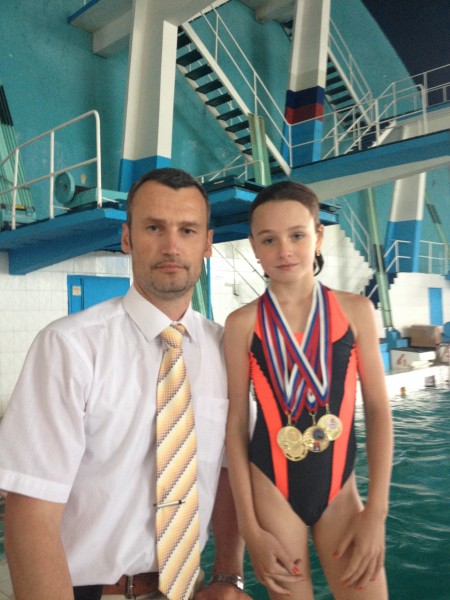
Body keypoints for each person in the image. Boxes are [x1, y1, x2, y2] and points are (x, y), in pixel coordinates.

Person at [0, 168, 250, 600]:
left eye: (187, 230)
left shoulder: (226, 351)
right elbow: (30, 512)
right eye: (154, 228)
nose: (171, 246)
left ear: (207, 243)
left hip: (188, 588)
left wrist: (228, 575)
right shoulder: (70, 347)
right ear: (127, 238)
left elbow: (228, 470)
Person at [224, 181, 393, 600]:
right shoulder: (242, 324)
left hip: (341, 495)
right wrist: (250, 528)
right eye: (269, 239)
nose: (284, 250)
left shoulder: (355, 311)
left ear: (318, 236)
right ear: (254, 246)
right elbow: (236, 425)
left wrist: (377, 511)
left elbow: (377, 410)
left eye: (297, 235)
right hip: (272, 493)